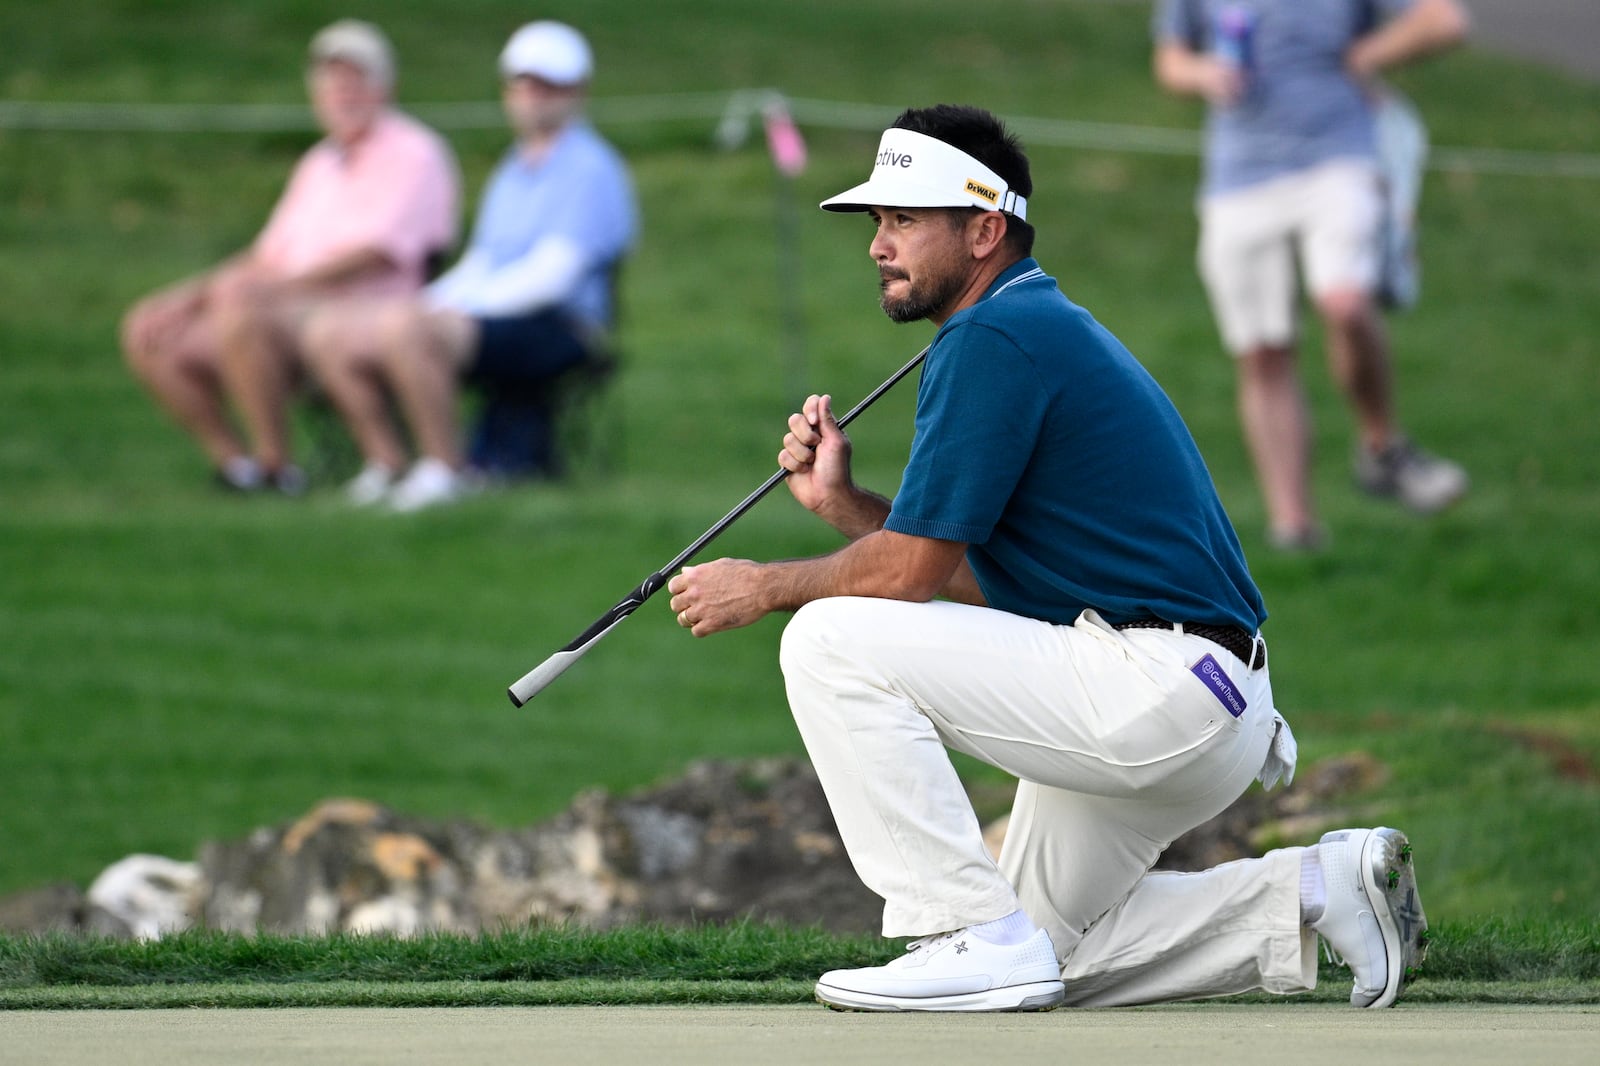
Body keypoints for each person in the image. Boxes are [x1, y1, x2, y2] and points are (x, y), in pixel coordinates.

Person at [664, 105, 1427, 1012]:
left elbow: (907, 576)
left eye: (905, 220)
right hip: (1202, 697)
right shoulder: (1025, 325)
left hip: (1158, 685)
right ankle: (1313, 892)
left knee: (827, 639)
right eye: (878, 222)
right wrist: (844, 507)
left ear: (985, 229)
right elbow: (976, 574)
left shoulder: (993, 340)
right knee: (1045, 956)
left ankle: (958, 930)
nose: (878, 245)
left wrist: (766, 586)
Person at [1152, 0, 1471, 550]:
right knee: (1262, 351)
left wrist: (1368, 53)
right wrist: (1204, 73)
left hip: (1339, 156)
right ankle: (1294, 528)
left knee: (1344, 300)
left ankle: (1382, 446)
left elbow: (1444, 20)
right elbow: (1170, 59)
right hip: (1240, 176)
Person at [304, 20, 637, 512]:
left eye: (549, 86)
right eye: (524, 84)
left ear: (577, 93)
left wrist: (444, 315)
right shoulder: (512, 169)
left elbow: (552, 278)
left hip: (561, 328)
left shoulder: (592, 168)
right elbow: (483, 261)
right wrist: (426, 304)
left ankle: (444, 470)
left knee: (411, 331)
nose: (533, 97)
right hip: (500, 320)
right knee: (334, 333)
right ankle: (387, 464)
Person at [120, 20, 460, 493]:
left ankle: (276, 466)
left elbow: (378, 252)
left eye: (356, 81)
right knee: (153, 332)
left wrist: (272, 289)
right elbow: (267, 254)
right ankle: (236, 466)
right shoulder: (319, 164)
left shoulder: (416, 153)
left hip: (363, 310)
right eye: (332, 82)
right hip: (284, 309)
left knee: (243, 305)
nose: (343, 94)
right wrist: (187, 297)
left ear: (386, 88)